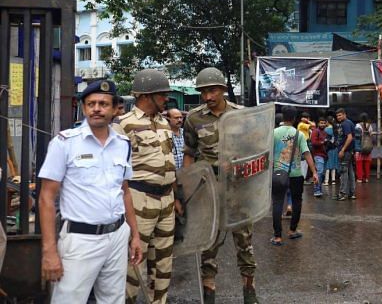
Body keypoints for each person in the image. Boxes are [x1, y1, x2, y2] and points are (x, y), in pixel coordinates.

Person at [39, 80, 143, 303]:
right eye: (91, 103)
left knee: (113, 300)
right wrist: (49, 251)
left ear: (115, 109)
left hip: (117, 235)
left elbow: (124, 192)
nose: (97, 108)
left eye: (103, 104)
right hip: (80, 240)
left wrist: (134, 235)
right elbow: (46, 198)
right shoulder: (64, 143)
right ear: (84, 108)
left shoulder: (123, 144)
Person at [182, 67, 258, 304]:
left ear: (223, 90)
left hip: (238, 189)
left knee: (244, 243)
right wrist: (186, 189)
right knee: (208, 245)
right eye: (203, 92)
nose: (208, 96)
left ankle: (249, 292)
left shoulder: (241, 114)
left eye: (212, 90)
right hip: (209, 191)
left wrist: (240, 165)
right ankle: (209, 294)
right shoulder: (194, 118)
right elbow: (189, 154)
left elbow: (256, 149)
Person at [112, 69, 177, 304]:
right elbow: (116, 172)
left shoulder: (164, 123)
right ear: (146, 96)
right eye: (161, 95)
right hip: (140, 199)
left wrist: (176, 197)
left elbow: (170, 163)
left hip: (167, 200)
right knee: (133, 262)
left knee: (164, 262)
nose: (165, 99)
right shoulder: (122, 125)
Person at [271, 106, 319, 245]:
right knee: (297, 201)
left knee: (277, 203)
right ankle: (292, 231)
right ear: (294, 118)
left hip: (278, 172)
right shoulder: (299, 134)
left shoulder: (273, 133)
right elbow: (307, 153)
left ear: (283, 116)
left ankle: (277, 236)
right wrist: (314, 172)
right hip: (296, 174)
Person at [334, 108, 356, 201]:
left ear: (344, 114)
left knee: (343, 172)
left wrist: (342, 150)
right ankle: (352, 193)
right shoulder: (349, 122)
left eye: (340, 115)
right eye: (337, 116)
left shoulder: (345, 123)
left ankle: (342, 193)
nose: (338, 117)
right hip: (350, 151)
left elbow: (350, 137)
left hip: (346, 152)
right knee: (350, 171)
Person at [310, 117, 329, 197]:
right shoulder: (315, 131)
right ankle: (317, 190)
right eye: (321, 123)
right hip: (318, 155)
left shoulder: (324, 132)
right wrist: (323, 142)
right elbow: (314, 142)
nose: (323, 124)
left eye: (324, 123)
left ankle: (319, 190)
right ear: (318, 123)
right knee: (319, 172)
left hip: (324, 155)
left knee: (322, 173)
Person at [355, 113, 375, 183]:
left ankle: (360, 178)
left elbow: (357, 137)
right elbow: (371, 136)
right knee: (367, 163)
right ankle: (366, 178)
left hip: (360, 147)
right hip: (367, 147)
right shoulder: (370, 126)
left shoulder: (358, 125)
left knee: (359, 163)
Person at [323, 115, 339, 186]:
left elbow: (324, 140)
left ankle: (326, 181)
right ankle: (333, 180)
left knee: (328, 165)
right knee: (334, 164)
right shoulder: (335, 129)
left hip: (328, 149)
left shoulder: (326, 129)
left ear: (327, 122)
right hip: (335, 148)